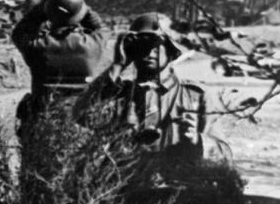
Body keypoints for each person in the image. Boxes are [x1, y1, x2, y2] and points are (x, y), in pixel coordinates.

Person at [74, 11, 208, 163]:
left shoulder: (194, 96)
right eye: (143, 46)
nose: (149, 52)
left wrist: (198, 140)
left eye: (156, 46)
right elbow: (82, 115)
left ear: (171, 50)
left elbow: (223, 150)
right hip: (128, 182)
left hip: (176, 181)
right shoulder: (119, 93)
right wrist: (119, 64)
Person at [11, 0, 107, 132]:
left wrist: (46, 6)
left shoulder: (37, 47)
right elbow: (99, 27)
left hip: (41, 121)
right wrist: (77, 5)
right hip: (79, 123)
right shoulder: (93, 45)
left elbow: (20, 31)